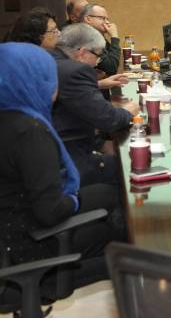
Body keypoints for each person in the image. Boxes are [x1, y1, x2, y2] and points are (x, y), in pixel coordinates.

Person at [0, 42, 123, 285]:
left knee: (110, 194)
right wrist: (73, 196)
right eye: (50, 77)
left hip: (13, 226)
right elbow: (51, 212)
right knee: (125, 233)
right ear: (33, 81)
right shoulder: (29, 132)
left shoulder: (11, 115)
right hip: (31, 249)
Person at [51, 23, 139, 186]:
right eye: (98, 56)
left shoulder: (54, 59)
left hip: (54, 146)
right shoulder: (75, 71)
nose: (97, 63)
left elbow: (69, 97)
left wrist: (99, 84)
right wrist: (128, 111)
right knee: (131, 165)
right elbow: (108, 119)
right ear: (83, 52)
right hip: (68, 157)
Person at [80, 3, 120, 77]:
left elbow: (110, 56)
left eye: (107, 19)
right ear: (88, 19)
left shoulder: (96, 35)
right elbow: (112, 68)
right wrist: (114, 36)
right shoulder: (86, 38)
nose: (107, 22)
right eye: (102, 18)